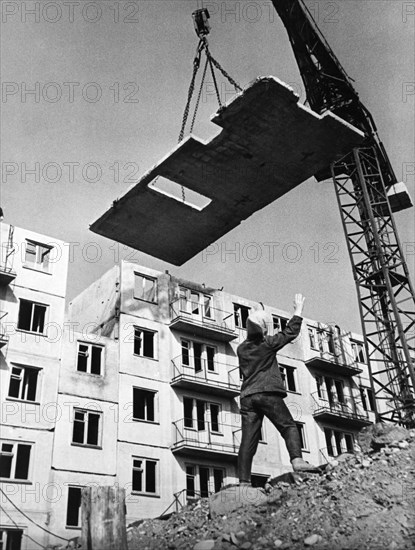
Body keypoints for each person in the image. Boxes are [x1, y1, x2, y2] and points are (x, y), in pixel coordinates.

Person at [237, 293, 319, 485]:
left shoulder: (241, 349)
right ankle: (297, 461)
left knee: (248, 439)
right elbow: (289, 333)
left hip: (248, 396)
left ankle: (243, 481)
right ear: (265, 329)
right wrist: (298, 310)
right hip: (267, 393)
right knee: (288, 425)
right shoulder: (267, 344)